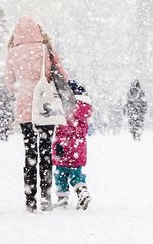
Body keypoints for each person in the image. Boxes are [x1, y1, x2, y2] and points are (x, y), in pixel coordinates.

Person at [5, 16, 69, 213]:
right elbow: (63, 77)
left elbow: (10, 84)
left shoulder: (12, 53)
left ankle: (30, 199)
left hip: (26, 109)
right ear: (39, 30)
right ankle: (46, 198)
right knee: (46, 153)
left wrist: (24, 90)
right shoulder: (46, 50)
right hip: (45, 107)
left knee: (30, 154)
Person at [52, 80, 92, 210]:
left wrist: (59, 144)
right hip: (79, 148)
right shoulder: (84, 109)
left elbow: (62, 128)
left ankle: (62, 198)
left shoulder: (66, 107)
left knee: (61, 173)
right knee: (76, 173)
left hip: (63, 146)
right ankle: (82, 190)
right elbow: (83, 130)